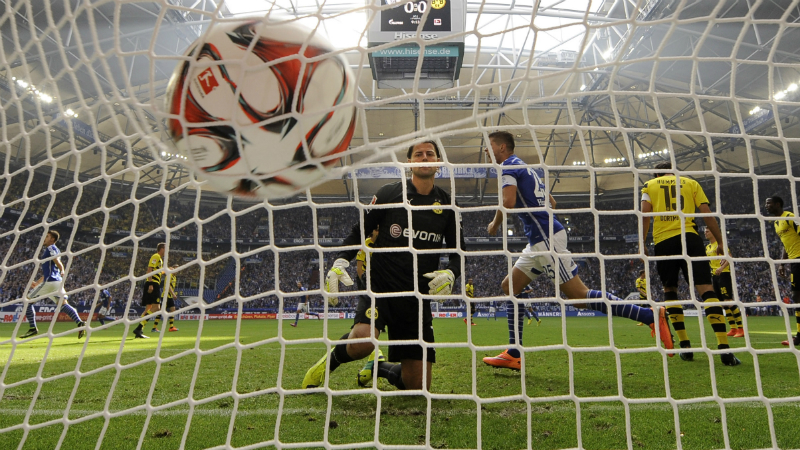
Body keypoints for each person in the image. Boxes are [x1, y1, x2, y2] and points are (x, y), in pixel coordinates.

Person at [482, 131, 673, 371]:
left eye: (489, 146)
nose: (487, 151)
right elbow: (552, 202)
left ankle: (649, 316)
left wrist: (494, 224)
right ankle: (513, 352)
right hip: (540, 238)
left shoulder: (508, 167)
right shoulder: (528, 168)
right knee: (509, 286)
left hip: (545, 238)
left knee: (580, 298)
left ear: (501, 147)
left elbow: (508, 202)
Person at [302, 140, 465, 391]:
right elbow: (360, 230)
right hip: (380, 286)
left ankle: (377, 367)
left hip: (416, 298)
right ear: (409, 162)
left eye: (429, 154)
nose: (424, 158)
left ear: (438, 163)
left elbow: (459, 253)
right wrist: (340, 262)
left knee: (417, 386)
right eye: (418, 154)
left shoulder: (447, 205)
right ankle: (331, 360)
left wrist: (452, 273)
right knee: (364, 342)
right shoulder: (390, 194)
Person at [641, 162, 740, 365]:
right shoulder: (690, 183)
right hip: (690, 238)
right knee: (706, 290)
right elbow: (706, 213)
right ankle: (724, 350)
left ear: (656, 173)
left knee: (670, 290)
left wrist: (642, 243)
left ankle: (685, 347)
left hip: (663, 241)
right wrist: (721, 240)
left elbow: (645, 216)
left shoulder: (649, 186)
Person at [19, 230, 86, 339]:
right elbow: (50, 270)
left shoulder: (50, 248)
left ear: (52, 239)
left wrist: (62, 269)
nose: (44, 238)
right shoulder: (56, 250)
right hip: (56, 283)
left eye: (47, 236)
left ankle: (33, 328)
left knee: (27, 301)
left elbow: (57, 262)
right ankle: (79, 323)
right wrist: (37, 283)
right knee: (63, 305)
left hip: (50, 282)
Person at [764, 196, 800, 346]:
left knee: (797, 296)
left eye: (769, 203)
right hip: (793, 261)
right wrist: (782, 264)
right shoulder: (776, 222)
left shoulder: (790, 217)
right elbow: (786, 244)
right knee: (797, 297)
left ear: (778, 204)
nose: (766, 206)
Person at [704, 228, 744, 338]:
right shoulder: (707, 247)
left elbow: (730, 257)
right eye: (705, 231)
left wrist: (721, 268)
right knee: (723, 303)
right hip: (714, 276)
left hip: (724, 274)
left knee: (728, 301)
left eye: (707, 231)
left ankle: (741, 328)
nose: (705, 233)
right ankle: (733, 328)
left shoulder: (720, 244)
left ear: (713, 232)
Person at [133, 243, 166, 339]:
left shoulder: (160, 260)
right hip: (153, 284)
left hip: (154, 283)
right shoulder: (156, 256)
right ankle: (139, 328)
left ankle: (139, 330)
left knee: (148, 309)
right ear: (161, 248)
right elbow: (149, 269)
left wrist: (165, 271)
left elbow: (157, 271)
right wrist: (151, 283)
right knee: (156, 308)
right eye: (165, 248)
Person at [154, 267, 179, 332]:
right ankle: (154, 327)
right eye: (175, 269)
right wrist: (174, 294)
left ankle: (171, 327)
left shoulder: (174, 277)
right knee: (161, 311)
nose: (176, 270)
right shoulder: (169, 275)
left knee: (173, 310)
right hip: (165, 296)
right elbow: (168, 286)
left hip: (170, 297)